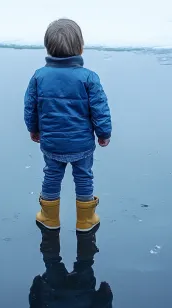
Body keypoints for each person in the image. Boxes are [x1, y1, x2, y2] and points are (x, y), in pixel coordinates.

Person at [24, 18, 112, 232]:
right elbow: (100, 109)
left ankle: (50, 217)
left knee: (51, 176)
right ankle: (85, 220)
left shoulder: (39, 76)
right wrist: (103, 133)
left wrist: (33, 129)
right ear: (80, 47)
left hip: (52, 142)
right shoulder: (89, 78)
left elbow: (30, 106)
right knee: (84, 177)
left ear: (48, 47)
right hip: (81, 144)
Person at [29, 222, 113, 308]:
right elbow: (35, 300)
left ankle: (86, 228)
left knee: (85, 262)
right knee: (51, 261)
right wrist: (37, 283)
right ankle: (50, 227)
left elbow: (105, 296)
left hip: (82, 293)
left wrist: (104, 289)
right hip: (54, 294)